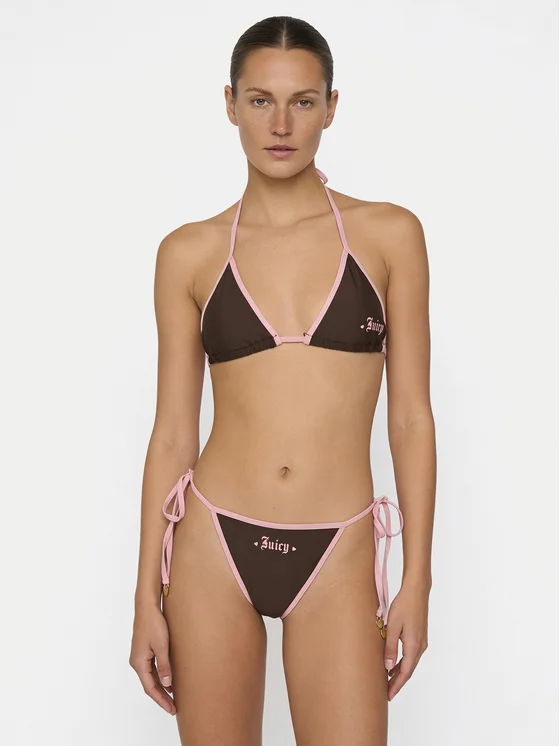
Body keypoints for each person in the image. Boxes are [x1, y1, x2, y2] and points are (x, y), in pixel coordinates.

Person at [129, 14, 436, 745]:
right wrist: (144, 596)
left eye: (303, 101)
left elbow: (411, 419)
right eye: (260, 100)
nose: (281, 124)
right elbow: (172, 433)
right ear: (230, 103)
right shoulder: (188, 253)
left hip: (339, 550)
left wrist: (417, 580)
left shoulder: (390, 236)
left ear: (331, 107)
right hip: (212, 544)